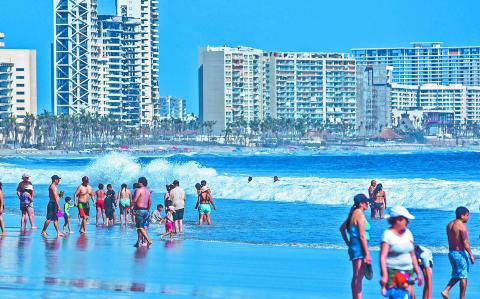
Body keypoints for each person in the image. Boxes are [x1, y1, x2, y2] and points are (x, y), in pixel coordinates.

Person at [380, 206, 422, 299]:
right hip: (392, 271)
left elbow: (412, 255)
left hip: (408, 270)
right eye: (405, 219)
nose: (407, 222)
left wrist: (418, 272)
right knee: (396, 296)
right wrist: (384, 275)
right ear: (397, 220)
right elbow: (383, 257)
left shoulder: (408, 233)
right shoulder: (387, 235)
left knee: (409, 296)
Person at [340, 194, 372, 299]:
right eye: (366, 202)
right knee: (358, 275)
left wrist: (348, 243)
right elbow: (362, 236)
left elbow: (342, 229)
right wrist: (367, 254)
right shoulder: (360, 215)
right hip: (359, 246)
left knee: (357, 275)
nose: (368, 204)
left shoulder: (353, 214)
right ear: (361, 204)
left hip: (355, 245)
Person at [441, 207, 474, 299]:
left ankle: (446, 291)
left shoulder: (449, 224)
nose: (468, 218)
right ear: (462, 215)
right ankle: (461, 297)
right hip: (459, 254)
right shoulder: (461, 226)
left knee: (457, 274)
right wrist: (471, 254)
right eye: (467, 215)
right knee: (463, 276)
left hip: (451, 253)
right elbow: (465, 242)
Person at [133, 177, 152, 247]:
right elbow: (150, 202)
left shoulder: (138, 190)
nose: (137, 183)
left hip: (139, 210)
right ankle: (138, 242)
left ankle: (148, 240)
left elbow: (134, 200)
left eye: (138, 182)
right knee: (142, 227)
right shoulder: (148, 191)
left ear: (141, 182)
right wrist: (148, 209)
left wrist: (131, 208)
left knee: (139, 227)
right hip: (146, 210)